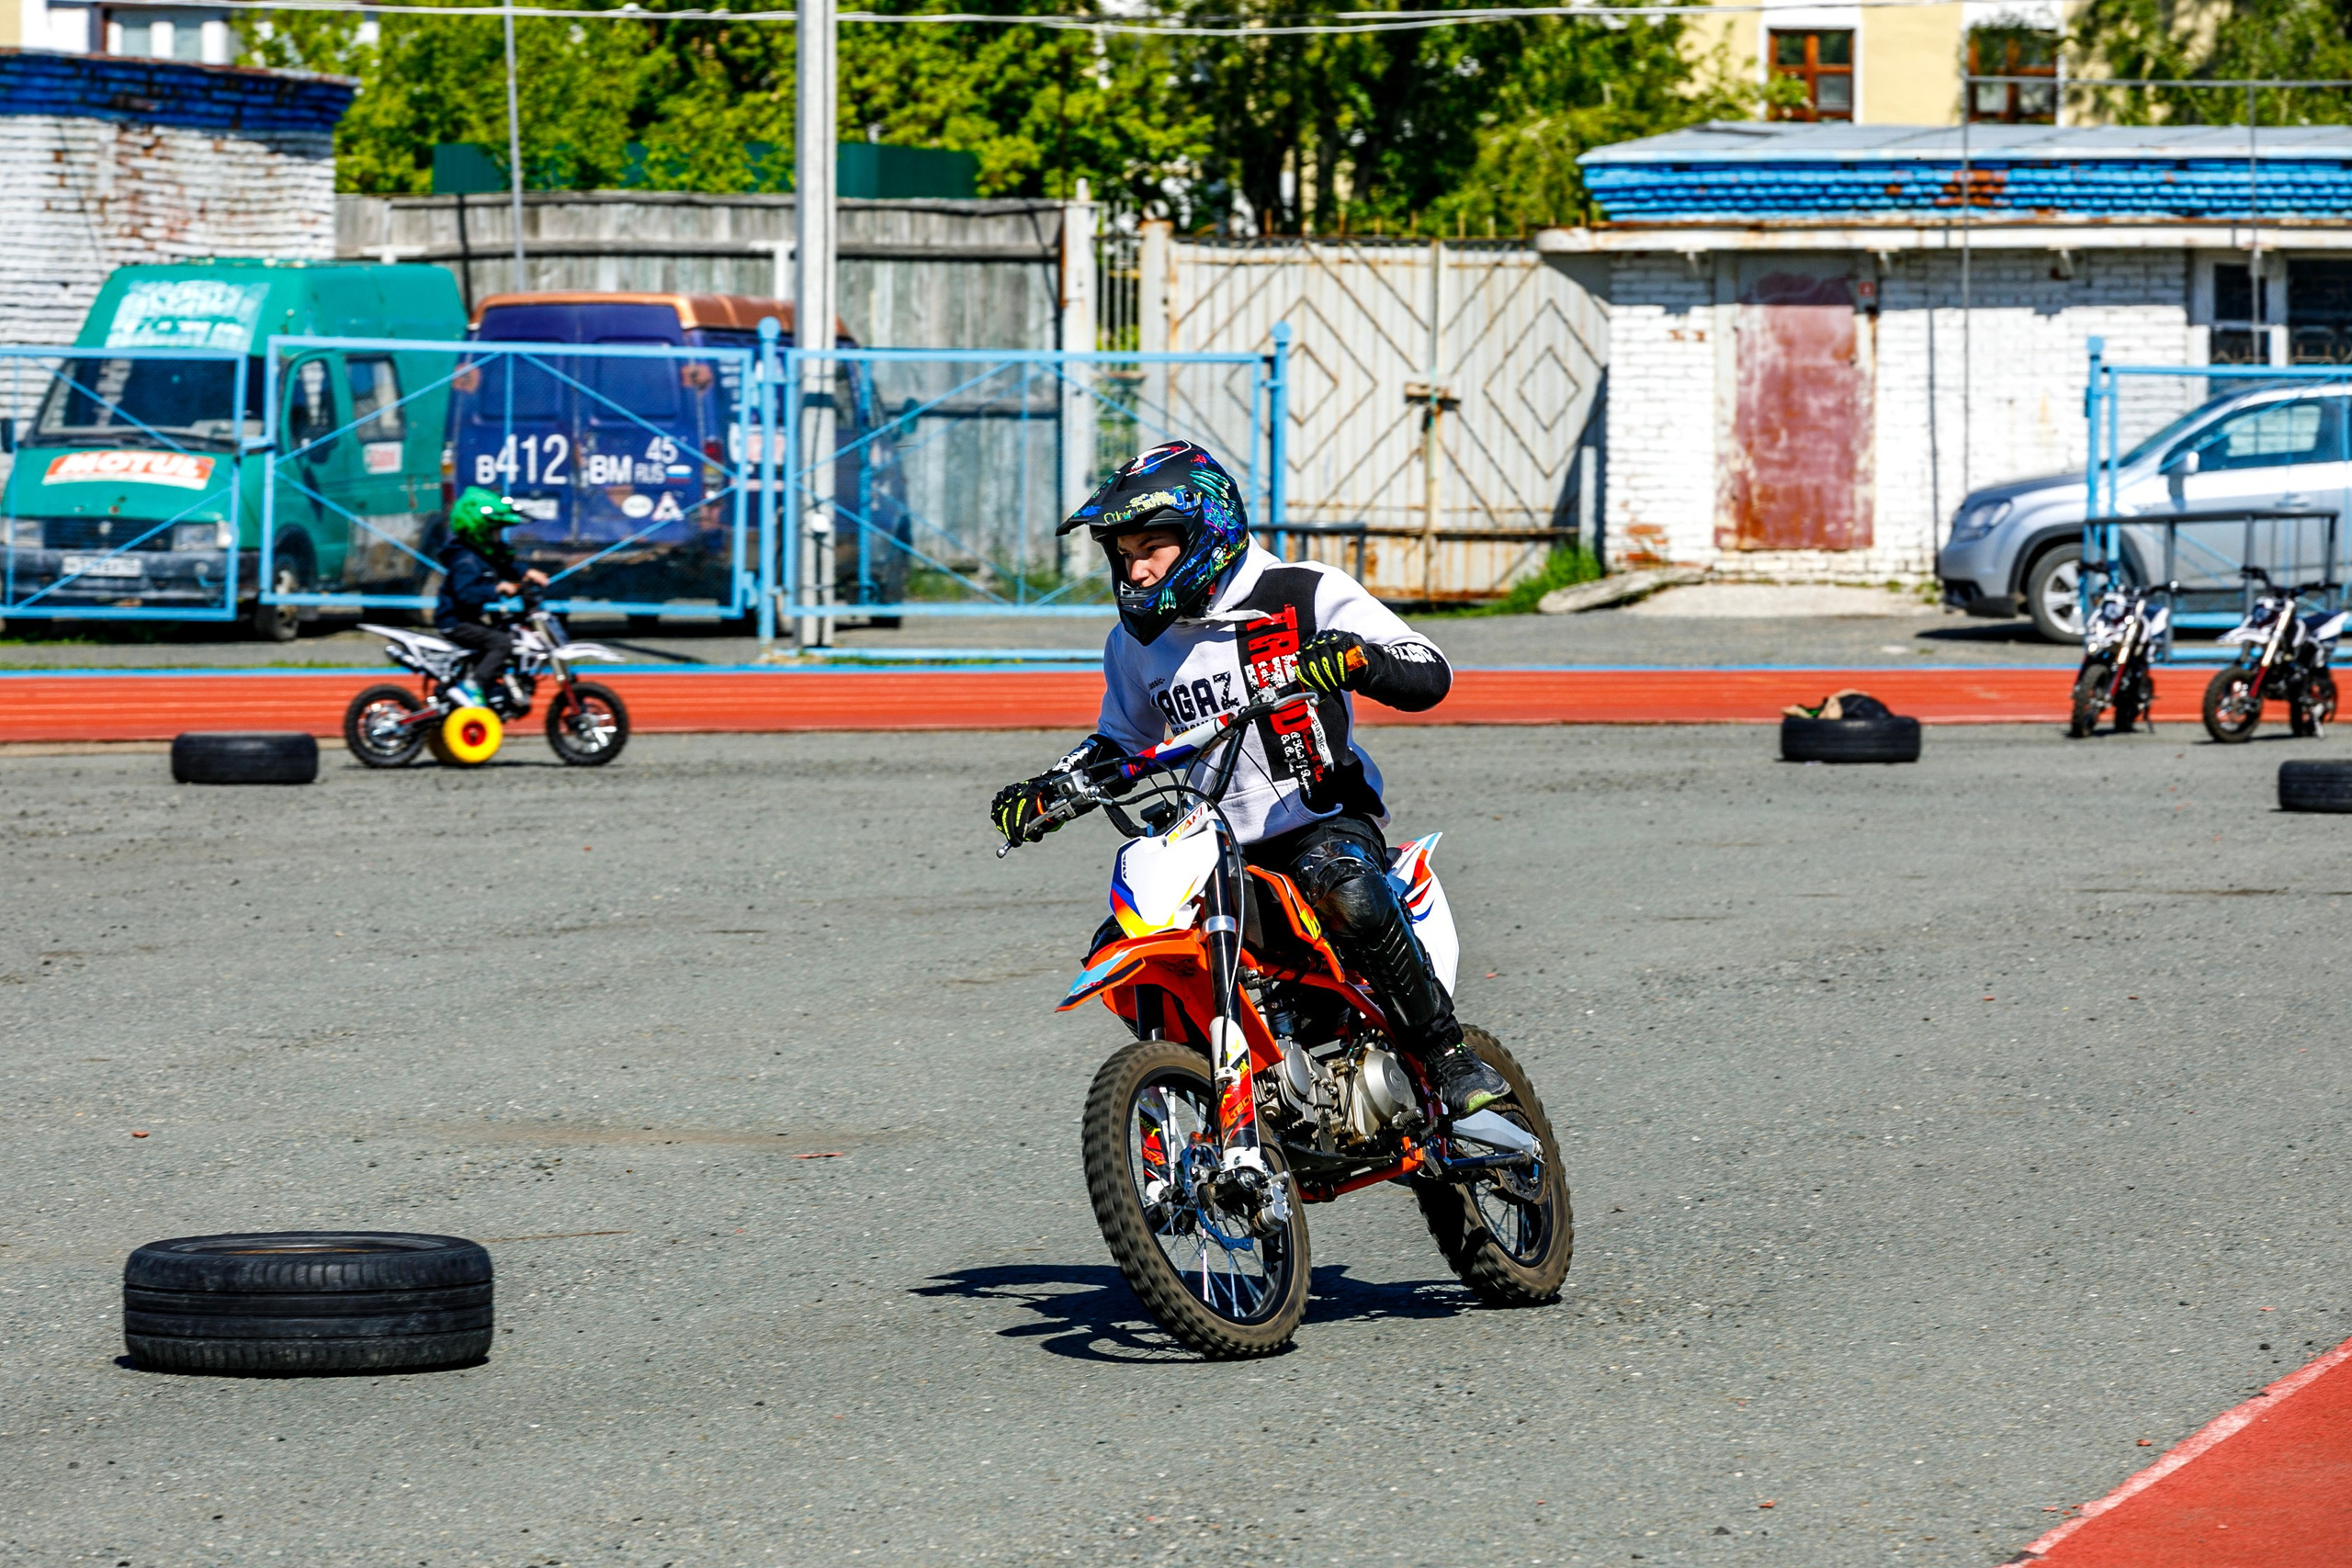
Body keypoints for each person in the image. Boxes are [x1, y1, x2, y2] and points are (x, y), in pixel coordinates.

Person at [989, 441, 1509, 1117]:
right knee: (1120, 946)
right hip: (1211, 844)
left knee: (1348, 890)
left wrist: (1356, 658)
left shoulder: (1302, 592)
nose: (1135, 569)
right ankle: (1215, 1099)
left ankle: (1444, 1054)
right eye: (1122, 554)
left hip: (1319, 822)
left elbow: (1429, 668)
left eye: (1151, 547)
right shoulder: (1135, 644)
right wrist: (1051, 789)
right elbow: (1123, 742)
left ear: (1205, 530)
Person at [435, 487, 548, 705]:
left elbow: (505, 564)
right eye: (495, 532)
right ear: (479, 530)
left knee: (509, 632)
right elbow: (466, 594)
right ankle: (473, 687)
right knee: (501, 643)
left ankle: (495, 687)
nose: (499, 537)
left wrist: (527, 573)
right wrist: (497, 589)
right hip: (455, 622)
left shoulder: (480, 554)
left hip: (468, 619)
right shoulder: (465, 559)